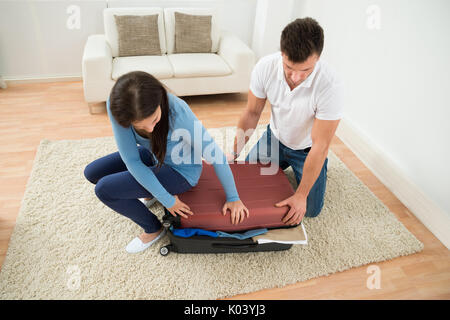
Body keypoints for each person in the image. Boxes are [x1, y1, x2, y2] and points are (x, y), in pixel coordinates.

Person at [84, 71, 249, 253]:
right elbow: (132, 160)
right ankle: (151, 192)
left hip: (181, 172)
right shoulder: (117, 108)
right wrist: (166, 198)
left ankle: (153, 228)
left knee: (104, 190)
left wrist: (233, 198)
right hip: (154, 155)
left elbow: (215, 156)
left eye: (154, 119)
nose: (150, 129)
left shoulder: (179, 113)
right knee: (92, 173)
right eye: (140, 126)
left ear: (159, 100)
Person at [229, 17, 343, 226]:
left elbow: (321, 145)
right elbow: (252, 113)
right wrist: (234, 153)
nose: (296, 77)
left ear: (317, 58)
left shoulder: (330, 85)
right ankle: (281, 165)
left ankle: (315, 170)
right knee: (246, 183)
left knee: (310, 210)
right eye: (290, 67)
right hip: (275, 139)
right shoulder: (265, 67)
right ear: (282, 54)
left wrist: (300, 195)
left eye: (305, 70)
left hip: (308, 149)